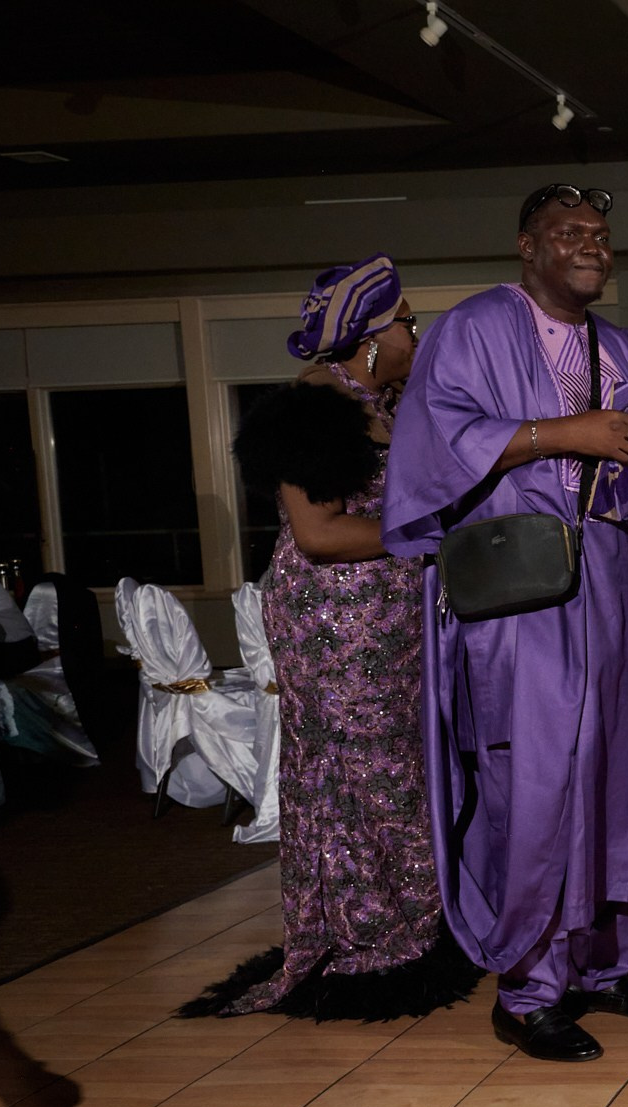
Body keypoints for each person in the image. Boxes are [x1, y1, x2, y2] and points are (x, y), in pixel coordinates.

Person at [382, 185, 628, 1064]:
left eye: (601, 233)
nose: (592, 245)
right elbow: (435, 439)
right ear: (527, 246)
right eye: (569, 233)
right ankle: (527, 992)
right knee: (539, 782)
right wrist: (565, 433)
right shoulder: (473, 328)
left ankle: (601, 966)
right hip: (526, 596)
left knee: (615, 773)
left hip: (613, 584)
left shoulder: (616, 346)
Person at [186, 255, 478, 1020]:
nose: (417, 334)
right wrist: (430, 534)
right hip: (335, 621)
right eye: (408, 321)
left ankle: (411, 924)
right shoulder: (310, 407)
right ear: (372, 336)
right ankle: (370, 938)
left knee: (396, 765)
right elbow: (318, 534)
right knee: (361, 769)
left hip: (386, 614)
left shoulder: (382, 402)